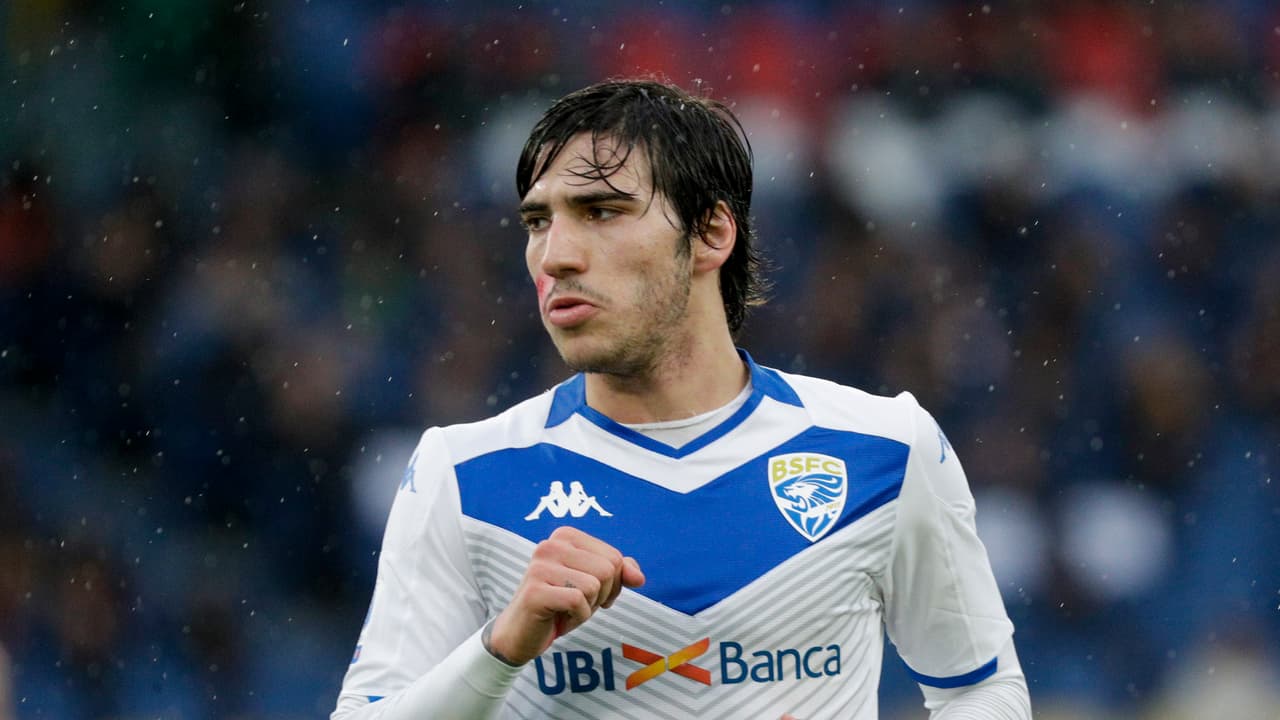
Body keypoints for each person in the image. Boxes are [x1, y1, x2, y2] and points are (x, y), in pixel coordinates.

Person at [331, 79, 1032, 719]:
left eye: (601, 211)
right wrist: (500, 648)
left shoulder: (884, 448)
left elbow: (981, 687)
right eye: (538, 222)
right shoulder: (464, 475)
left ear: (711, 233)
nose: (555, 256)